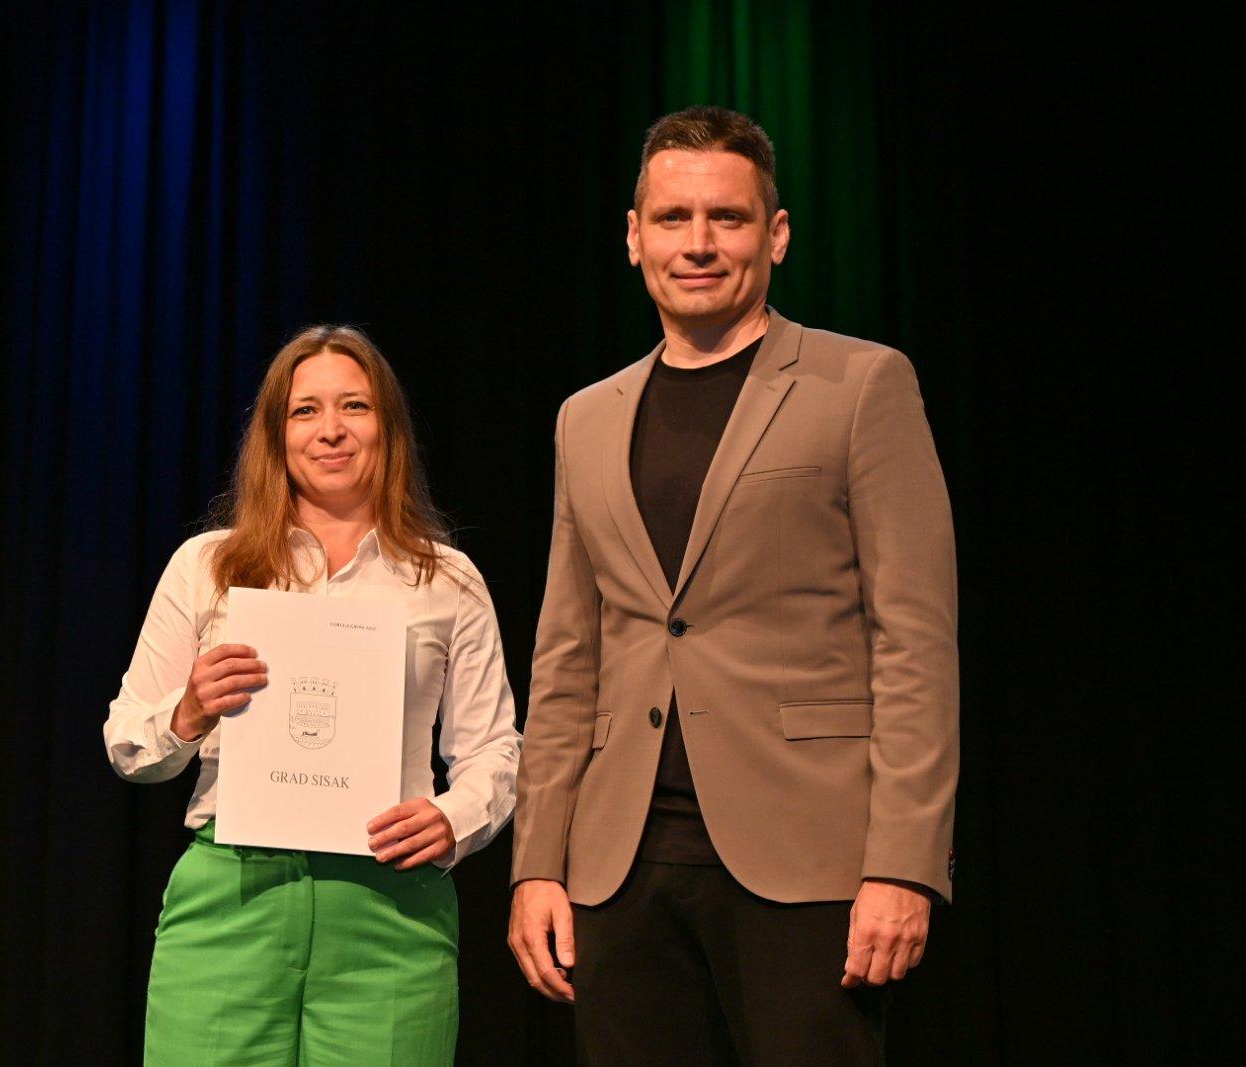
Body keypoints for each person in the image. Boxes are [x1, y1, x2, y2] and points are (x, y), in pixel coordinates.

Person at [507, 105, 958, 1065]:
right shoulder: (586, 417)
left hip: (808, 860)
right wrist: (537, 861)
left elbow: (915, 642)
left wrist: (905, 863)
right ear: (634, 237)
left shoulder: (862, 384)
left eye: (728, 217)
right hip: (618, 864)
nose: (699, 243)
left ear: (776, 235)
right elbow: (566, 655)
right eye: (673, 218)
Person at [105, 325, 521, 1067]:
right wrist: (189, 710)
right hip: (232, 898)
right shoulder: (207, 565)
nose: (331, 429)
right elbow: (127, 743)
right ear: (276, 434)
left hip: (389, 908)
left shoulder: (447, 579)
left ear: (388, 428)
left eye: (355, 405)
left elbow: (493, 747)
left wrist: (453, 817)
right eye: (305, 411)